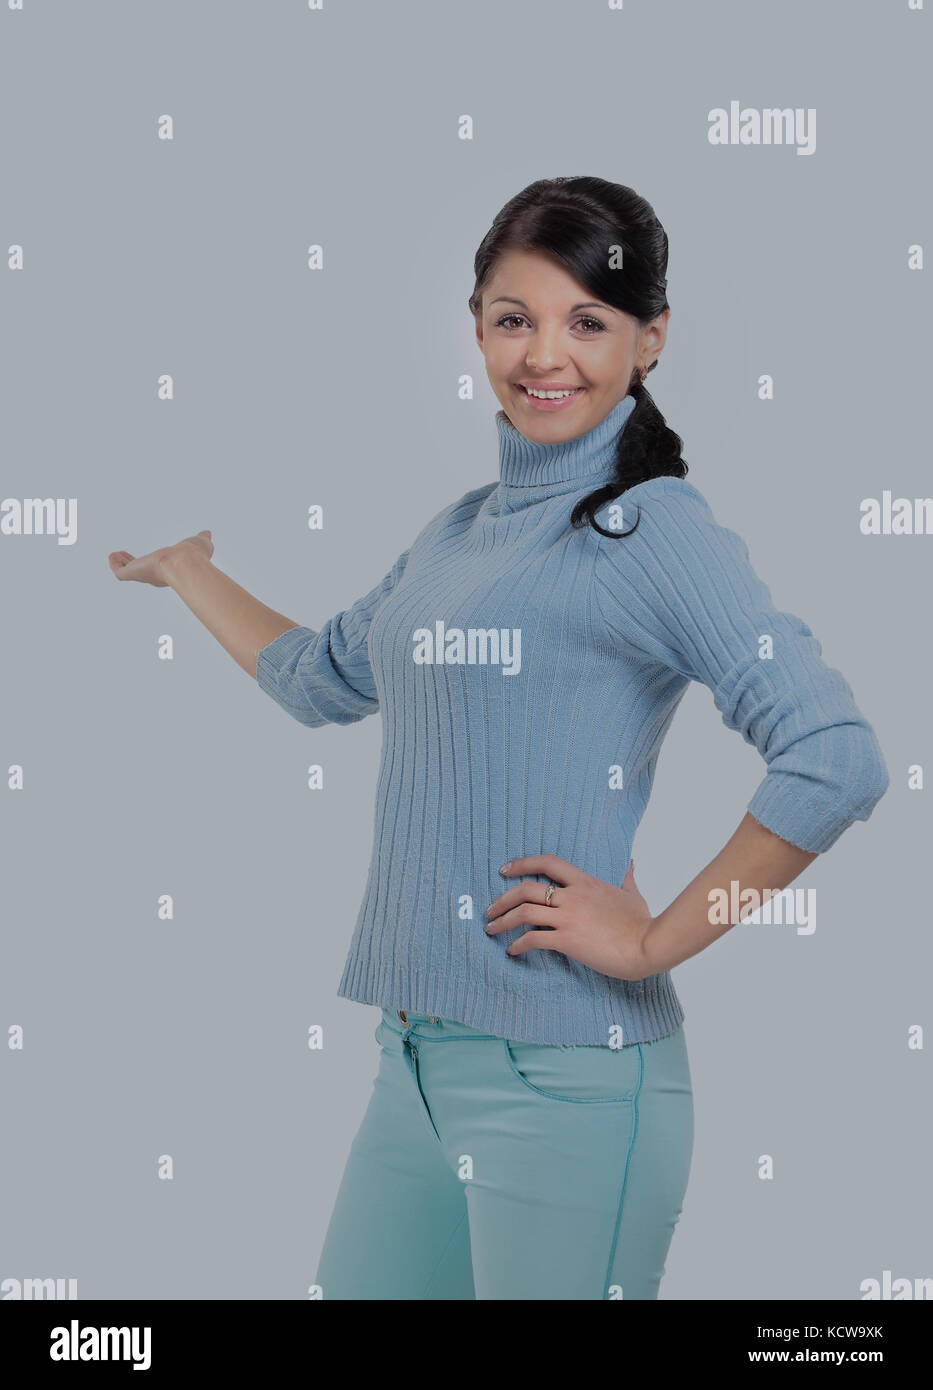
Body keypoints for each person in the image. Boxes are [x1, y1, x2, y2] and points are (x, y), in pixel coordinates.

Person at [108, 176, 889, 1300]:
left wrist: (657, 939)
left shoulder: (652, 528)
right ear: (476, 325)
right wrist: (189, 571)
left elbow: (836, 756)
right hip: (412, 1068)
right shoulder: (460, 532)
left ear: (649, 339)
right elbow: (320, 677)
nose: (544, 355)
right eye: (515, 318)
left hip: (570, 1084)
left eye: (589, 321)